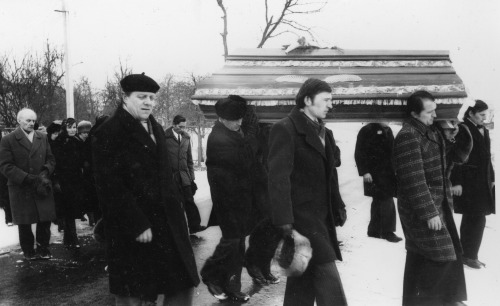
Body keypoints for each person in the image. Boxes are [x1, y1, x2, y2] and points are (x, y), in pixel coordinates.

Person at [92, 73, 199, 305]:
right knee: (135, 293)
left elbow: (164, 176)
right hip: (133, 228)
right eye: (141, 97)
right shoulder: (109, 132)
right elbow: (110, 187)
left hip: (166, 223)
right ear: (125, 98)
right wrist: (136, 224)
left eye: (152, 97)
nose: (148, 102)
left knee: (181, 282)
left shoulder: (156, 128)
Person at [267, 78, 348, 306]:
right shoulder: (285, 129)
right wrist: (284, 221)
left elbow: (330, 176)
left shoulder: (325, 133)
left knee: (301, 284)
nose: (330, 105)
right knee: (327, 276)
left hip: (321, 219)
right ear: (307, 100)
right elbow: (278, 179)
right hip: (301, 220)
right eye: (326, 100)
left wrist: (338, 207)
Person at [393, 90, 467, 306]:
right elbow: (413, 178)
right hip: (421, 210)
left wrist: (456, 133)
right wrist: (429, 212)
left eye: (435, 111)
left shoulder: (431, 132)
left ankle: (435, 301)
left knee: (422, 257)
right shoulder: (409, 135)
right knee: (440, 255)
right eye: (429, 112)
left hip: (438, 205)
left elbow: (452, 162)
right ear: (415, 114)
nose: (434, 116)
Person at [201, 95, 272, 302]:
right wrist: (252, 130)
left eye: (242, 118)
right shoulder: (218, 138)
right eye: (236, 119)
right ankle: (211, 274)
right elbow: (246, 157)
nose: (239, 123)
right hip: (228, 201)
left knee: (237, 244)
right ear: (222, 118)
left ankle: (230, 286)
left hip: (240, 199)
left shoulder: (231, 131)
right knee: (232, 242)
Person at [0, 108, 56, 260]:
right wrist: (27, 178)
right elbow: (5, 166)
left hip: (42, 185)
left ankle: (44, 248)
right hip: (21, 187)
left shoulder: (42, 137)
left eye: (33, 120)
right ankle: (28, 251)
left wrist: (45, 172)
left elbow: (51, 159)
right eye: (28, 120)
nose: (32, 123)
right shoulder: (8, 140)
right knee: (24, 222)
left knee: (44, 219)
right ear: (19, 121)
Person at [451, 100, 495, 269]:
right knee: (476, 218)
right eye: (481, 115)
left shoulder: (483, 130)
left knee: (474, 217)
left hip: (481, 181)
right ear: (470, 113)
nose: (485, 118)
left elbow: (486, 157)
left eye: (486, 114)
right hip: (469, 182)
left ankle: (467, 254)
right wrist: (457, 182)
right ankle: (469, 255)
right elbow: (456, 157)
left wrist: (491, 178)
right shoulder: (463, 129)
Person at [355, 123, 402, 243]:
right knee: (386, 200)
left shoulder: (388, 129)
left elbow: (392, 151)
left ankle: (374, 230)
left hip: (388, 172)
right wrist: (364, 171)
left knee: (379, 200)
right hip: (374, 173)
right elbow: (360, 152)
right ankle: (388, 232)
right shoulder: (367, 129)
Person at [164, 115, 205, 234]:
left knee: (189, 201)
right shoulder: (164, 137)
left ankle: (194, 226)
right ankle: (177, 230)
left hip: (185, 176)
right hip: (172, 177)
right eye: (180, 126)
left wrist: (192, 178)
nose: (182, 129)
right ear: (174, 124)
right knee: (175, 204)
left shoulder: (186, 138)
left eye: (184, 127)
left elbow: (189, 160)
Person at [53, 118, 86, 250]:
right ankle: (72, 237)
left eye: (74, 127)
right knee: (67, 209)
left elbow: (82, 159)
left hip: (75, 179)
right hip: (63, 180)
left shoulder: (76, 141)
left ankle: (69, 237)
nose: (73, 130)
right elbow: (56, 162)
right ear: (64, 128)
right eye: (70, 127)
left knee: (72, 209)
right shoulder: (58, 143)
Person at [46, 121, 64, 232]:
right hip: (49, 174)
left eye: (58, 133)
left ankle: (60, 221)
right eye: (55, 133)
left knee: (59, 198)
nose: (57, 136)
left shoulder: (59, 143)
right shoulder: (46, 143)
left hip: (58, 174)